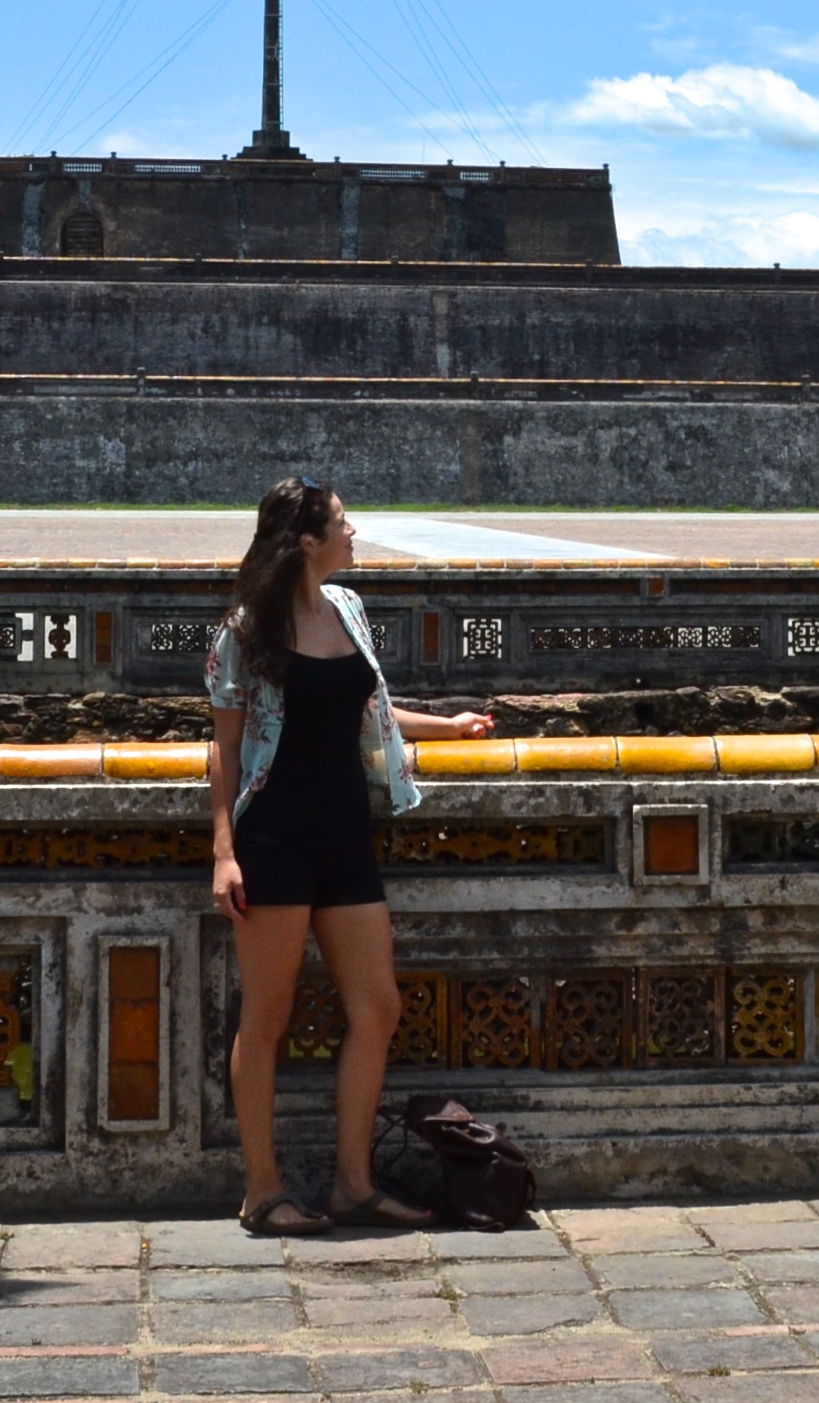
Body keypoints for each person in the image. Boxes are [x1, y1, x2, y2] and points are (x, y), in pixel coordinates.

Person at [207, 478, 495, 1237]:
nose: (353, 530)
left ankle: (351, 1184)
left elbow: (370, 709)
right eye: (341, 521)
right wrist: (224, 853)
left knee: (377, 1007)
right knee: (266, 1017)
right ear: (307, 542)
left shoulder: (348, 608)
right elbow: (225, 748)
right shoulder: (246, 631)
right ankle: (262, 1191)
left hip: (344, 834)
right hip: (273, 838)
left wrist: (448, 726)